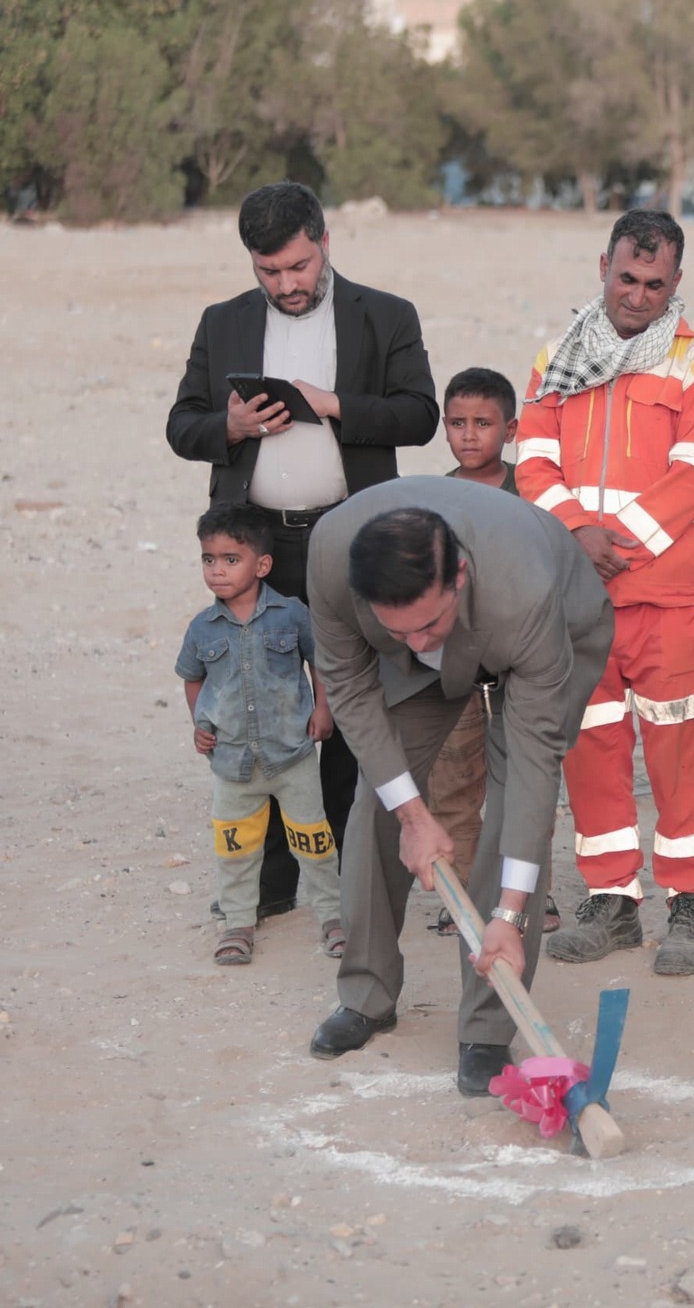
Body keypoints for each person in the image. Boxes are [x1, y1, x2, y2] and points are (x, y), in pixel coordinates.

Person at [166, 180, 438, 919]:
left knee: (351, 698)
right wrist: (230, 427)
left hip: (354, 539)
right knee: (267, 706)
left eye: (298, 266)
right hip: (257, 547)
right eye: (269, 271)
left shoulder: (386, 314)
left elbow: (420, 414)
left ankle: (346, 865)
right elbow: (182, 425)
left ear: (324, 242)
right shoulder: (222, 321)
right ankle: (275, 877)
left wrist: (333, 405)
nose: (286, 284)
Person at [303, 477, 613, 1098]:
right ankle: (366, 994)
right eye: (400, 630)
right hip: (432, 649)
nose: (419, 642)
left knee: (511, 817)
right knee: (379, 800)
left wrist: (509, 912)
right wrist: (413, 815)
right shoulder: (331, 556)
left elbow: (531, 772)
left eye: (427, 624)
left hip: (547, 633)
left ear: (460, 576)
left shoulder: (524, 589)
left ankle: (488, 1025)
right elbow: (353, 692)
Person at [516, 210, 694, 978]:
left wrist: (612, 545)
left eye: (655, 284)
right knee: (592, 750)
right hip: (579, 600)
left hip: (665, 602)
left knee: (681, 755)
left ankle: (693, 905)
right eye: (627, 278)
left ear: (677, 283)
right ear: (603, 265)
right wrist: (579, 534)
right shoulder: (556, 358)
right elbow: (532, 459)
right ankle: (612, 901)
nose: (638, 296)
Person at [423, 368, 561, 938]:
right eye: (457, 423)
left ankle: (529, 895)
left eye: (483, 423)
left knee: (523, 782)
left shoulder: (532, 492)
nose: (469, 434)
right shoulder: (431, 497)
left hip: (520, 663)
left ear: (511, 430)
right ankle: (459, 895)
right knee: (452, 781)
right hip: (453, 664)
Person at [175, 505, 340, 965]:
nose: (218, 570)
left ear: (262, 564)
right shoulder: (201, 628)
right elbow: (192, 678)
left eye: (231, 559)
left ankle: (333, 916)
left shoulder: (291, 614)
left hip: (292, 754)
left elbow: (319, 663)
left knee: (313, 840)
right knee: (236, 847)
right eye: (209, 559)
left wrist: (322, 709)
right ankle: (238, 923)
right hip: (232, 762)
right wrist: (200, 724)